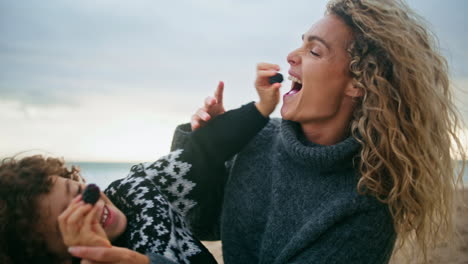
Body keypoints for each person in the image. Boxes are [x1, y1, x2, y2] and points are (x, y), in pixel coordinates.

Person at [171, 0, 466, 263]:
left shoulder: (365, 204)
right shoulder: (257, 140)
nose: (291, 56)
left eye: (314, 50)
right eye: (301, 44)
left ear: (359, 83)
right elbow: (193, 221)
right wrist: (206, 149)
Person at [0, 80, 281, 264]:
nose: (92, 208)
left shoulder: (135, 190)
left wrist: (260, 108)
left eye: (81, 193)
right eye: (71, 219)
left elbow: (204, 151)